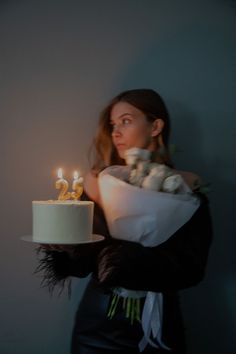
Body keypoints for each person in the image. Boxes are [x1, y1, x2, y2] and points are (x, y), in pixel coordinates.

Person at [37, 89, 213, 354]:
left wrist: (128, 258)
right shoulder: (98, 183)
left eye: (126, 120)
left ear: (156, 126)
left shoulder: (185, 190)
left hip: (158, 324)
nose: (116, 132)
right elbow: (82, 265)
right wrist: (64, 246)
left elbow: (192, 268)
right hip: (98, 325)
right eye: (113, 124)